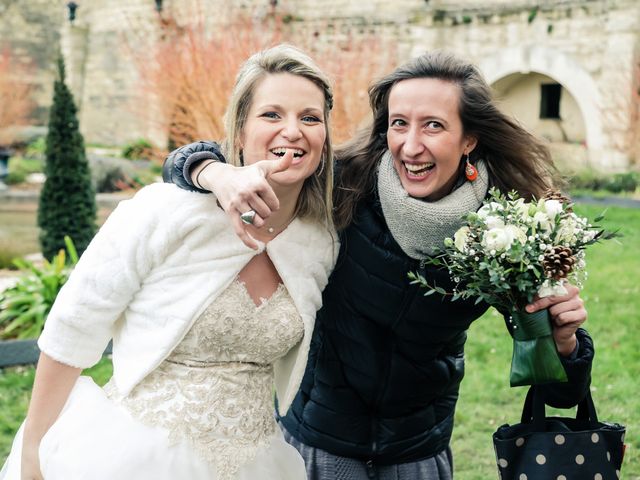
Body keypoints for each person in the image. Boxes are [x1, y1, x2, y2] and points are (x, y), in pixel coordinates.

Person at [163, 51, 593, 480]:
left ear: (469, 139)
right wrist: (215, 174)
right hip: (321, 444)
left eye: (434, 125)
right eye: (399, 123)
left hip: (418, 453)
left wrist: (565, 344)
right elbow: (184, 163)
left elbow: (555, 386)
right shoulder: (343, 184)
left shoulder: (502, 226)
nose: (410, 145)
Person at [0, 44, 339, 480]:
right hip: (136, 457)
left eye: (309, 118)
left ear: (325, 137)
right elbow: (74, 325)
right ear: (239, 131)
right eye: (272, 115)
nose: (292, 131)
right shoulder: (165, 211)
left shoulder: (322, 240)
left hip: (256, 463)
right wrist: (33, 452)